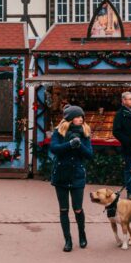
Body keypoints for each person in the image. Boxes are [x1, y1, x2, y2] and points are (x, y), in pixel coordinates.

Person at [50, 105, 93, 252]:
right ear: (69, 119)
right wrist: (69, 144)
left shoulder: (85, 133)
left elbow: (90, 154)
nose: (81, 119)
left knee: (78, 209)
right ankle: (67, 240)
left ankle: (82, 235)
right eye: (77, 116)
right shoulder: (59, 132)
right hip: (61, 174)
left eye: (82, 117)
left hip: (77, 175)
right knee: (63, 209)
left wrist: (79, 145)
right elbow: (54, 148)